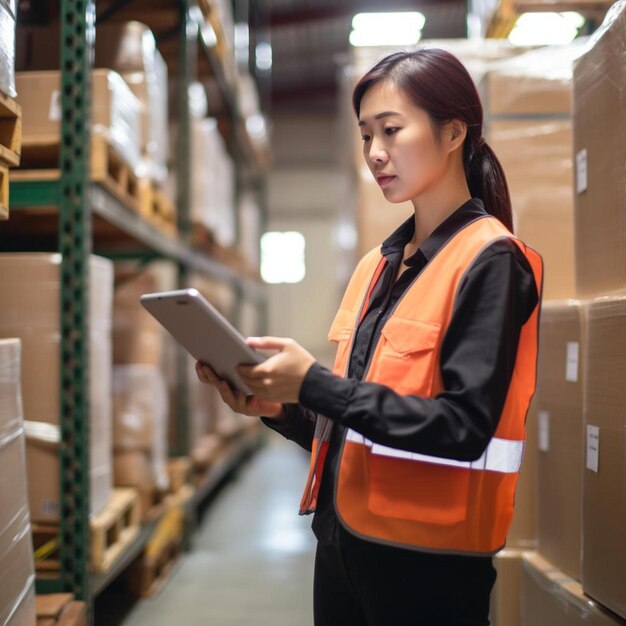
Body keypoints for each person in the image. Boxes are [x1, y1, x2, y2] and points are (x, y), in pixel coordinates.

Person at [195, 47, 542, 626]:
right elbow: (358, 435)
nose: (375, 154)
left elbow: (462, 428)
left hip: (427, 568)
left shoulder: (492, 260)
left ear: (454, 131)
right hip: (344, 548)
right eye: (365, 136)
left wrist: (315, 383)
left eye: (391, 130)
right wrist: (281, 407)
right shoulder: (377, 268)